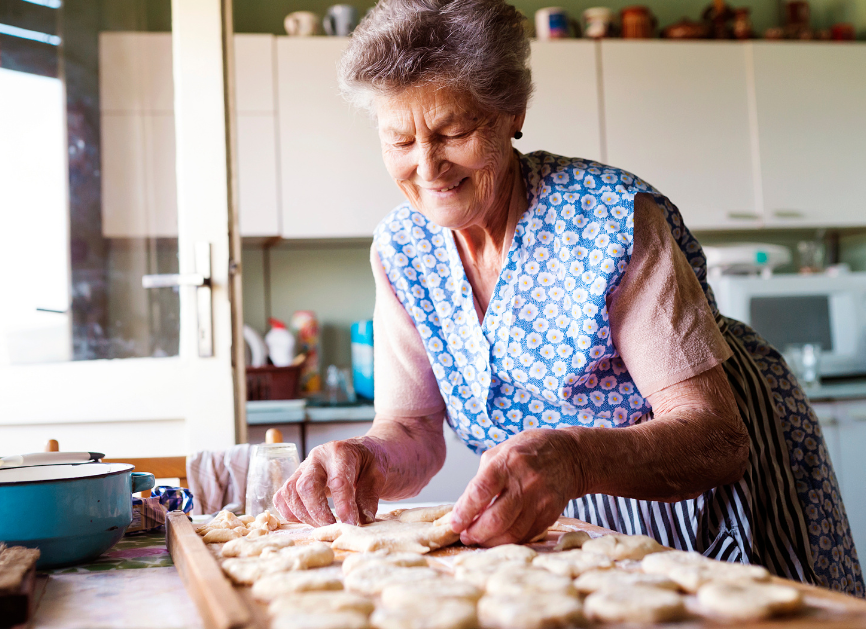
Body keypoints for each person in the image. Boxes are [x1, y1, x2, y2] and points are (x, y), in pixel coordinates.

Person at [273, 0, 862, 596]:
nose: (428, 167)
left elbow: (714, 437)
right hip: (572, 497)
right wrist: (365, 459)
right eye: (399, 140)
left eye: (453, 132)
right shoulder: (402, 250)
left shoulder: (609, 220)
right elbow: (411, 429)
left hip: (703, 477)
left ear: (512, 112)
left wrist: (574, 459)